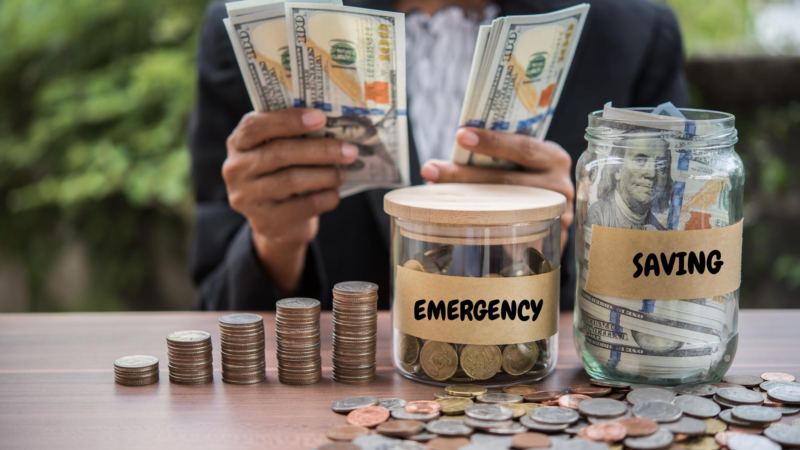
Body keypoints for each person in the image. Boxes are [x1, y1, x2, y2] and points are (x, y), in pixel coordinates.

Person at [189, 0, 688, 311]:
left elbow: (672, 291)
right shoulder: (255, 26)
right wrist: (274, 241)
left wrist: (581, 231)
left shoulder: (633, 34)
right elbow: (213, 307)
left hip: (541, 393)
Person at [587, 139, 673, 230]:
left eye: (660, 164)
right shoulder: (596, 217)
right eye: (640, 161)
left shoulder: (661, 232)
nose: (652, 174)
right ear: (617, 170)